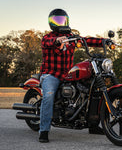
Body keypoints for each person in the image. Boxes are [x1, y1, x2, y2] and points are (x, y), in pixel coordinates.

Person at [39, 8, 109, 143]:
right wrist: (58, 41)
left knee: (91, 89)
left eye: (62, 20)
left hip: (67, 74)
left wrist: (104, 42)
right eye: (56, 20)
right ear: (51, 22)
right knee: (48, 96)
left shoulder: (72, 37)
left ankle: (93, 124)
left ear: (66, 20)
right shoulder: (48, 37)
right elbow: (48, 42)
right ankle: (44, 130)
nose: (60, 23)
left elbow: (86, 40)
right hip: (51, 75)